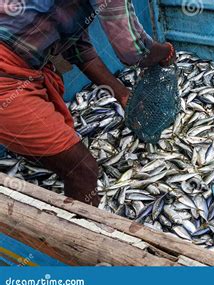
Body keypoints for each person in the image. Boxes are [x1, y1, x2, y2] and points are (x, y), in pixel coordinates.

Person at [0, 0, 175, 206]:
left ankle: (41, 156)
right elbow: (135, 50)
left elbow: (78, 49)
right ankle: (76, 234)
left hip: (20, 66)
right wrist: (166, 52)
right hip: (6, 75)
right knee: (83, 169)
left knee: (58, 149)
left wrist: (122, 94)